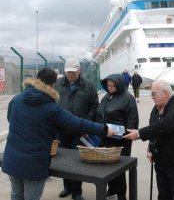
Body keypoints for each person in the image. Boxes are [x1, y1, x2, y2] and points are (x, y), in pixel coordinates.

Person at [1, 68, 116, 200]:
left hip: (12, 159)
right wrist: (105, 129)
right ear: (52, 85)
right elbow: (78, 123)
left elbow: (11, 118)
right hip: (34, 164)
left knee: (16, 195)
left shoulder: (17, 99)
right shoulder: (51, 107)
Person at [124, 80, 174, 200]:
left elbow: (164, 126)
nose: (151, 97)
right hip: (162, 163)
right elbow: (154, 130)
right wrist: (151, 148)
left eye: (154, 93)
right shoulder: (156, 109)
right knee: (163, 195)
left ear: (165, 93)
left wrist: (139, 133)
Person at [55, 58, 99, 200]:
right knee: (63, 160)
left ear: (79, 70)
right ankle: (67, 187)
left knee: (77, 160)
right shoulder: (58, 84)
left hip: (80, 129)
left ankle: (77, 192)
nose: (71, 75)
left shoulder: (88, 86)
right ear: (64, 70)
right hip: (62, 129)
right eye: (68, 72)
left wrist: (86, 122)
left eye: (73, 72)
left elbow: (94, 106)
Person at [95, 74, 139, 200]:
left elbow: (132, 121)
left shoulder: (128, 98)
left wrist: (114, 132)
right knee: (107, 167)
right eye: (108, 85)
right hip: (105, 138)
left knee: (118, 170)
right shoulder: (107, 97)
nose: (111, 88)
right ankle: (112, 189)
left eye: (113, 85)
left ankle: (121, 195)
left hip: (121, 141)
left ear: (119, 85)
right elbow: (100, 113)